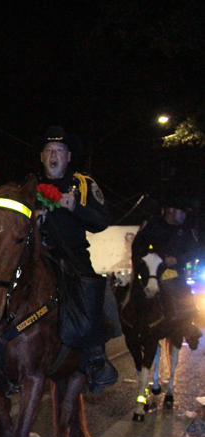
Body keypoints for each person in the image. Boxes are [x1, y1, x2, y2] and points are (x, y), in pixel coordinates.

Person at [35, 125, 117, 392]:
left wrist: (76, 208)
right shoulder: (30, 184)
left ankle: (96, 358)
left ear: (68, 157)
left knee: (91, 290)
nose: (53, 155)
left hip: (73, 256)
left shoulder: (82, 184)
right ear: (42, 156)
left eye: (59, 150)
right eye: (48, 150)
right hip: (37, 254)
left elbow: (102, 221)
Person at [131, 196, 202, 348]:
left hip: (175, 273)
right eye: (181, 211)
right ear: (171, 210)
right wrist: (147, 258)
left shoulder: (186, 229)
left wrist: (177, 259)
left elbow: (194, 250)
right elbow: (137, 246)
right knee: (131, 293)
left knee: (185, 298)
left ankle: (188, 327)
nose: (184, 215)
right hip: (150, 272)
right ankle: (132, 325)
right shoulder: (153, 225)